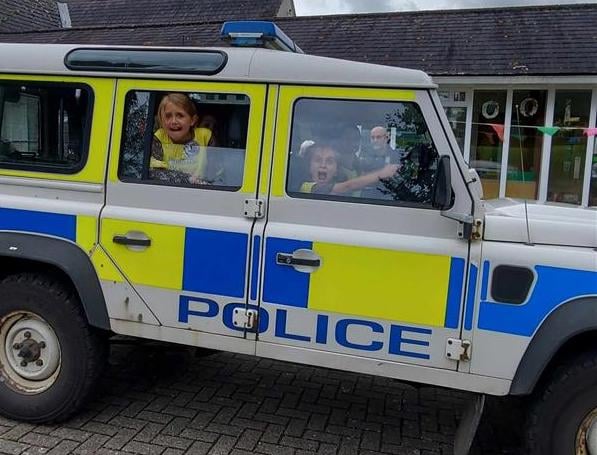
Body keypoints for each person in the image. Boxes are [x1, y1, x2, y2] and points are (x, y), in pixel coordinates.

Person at [150, 93, 212, 185]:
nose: (174, 121)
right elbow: (156, 173)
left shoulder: (205, 136)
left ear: (192, 120)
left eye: (180, 116)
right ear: (161, 120)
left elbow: (216, 173)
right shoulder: (159, 137)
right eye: (168, 116)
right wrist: (189, 179)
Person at [300, 143, 398, 195]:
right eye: (318, 160)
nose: (323, 165)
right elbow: (348, 186)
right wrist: (381, 174)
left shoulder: (340, 181)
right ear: (309, 167)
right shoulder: (309, 187)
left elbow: (358, 180)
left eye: (329, 161)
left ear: (336, 171)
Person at [355, 125, 404, 198]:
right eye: (372, 138)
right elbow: (359, 176)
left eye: (378, 137)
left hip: (388, 195)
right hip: (366, 195)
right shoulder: (364, 154)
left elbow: (395, 178)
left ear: (386, 138)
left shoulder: (396, 156)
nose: (375, 140)